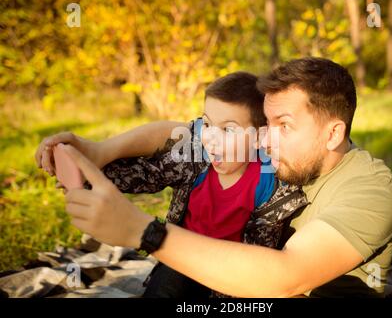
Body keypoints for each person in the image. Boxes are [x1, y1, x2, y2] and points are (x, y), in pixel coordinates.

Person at [36, 57, 392, 297]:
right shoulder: (269, 149)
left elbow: (288, 276)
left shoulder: (371, 191)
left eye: (284, 126)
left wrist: (142, 230)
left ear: (333, 134)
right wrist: (99, 151)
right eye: (266, 125)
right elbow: (178, 132)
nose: (265, 138)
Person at [36, 72, 308, 298]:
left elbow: (258, 262)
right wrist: (84, 171)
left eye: (228, 130)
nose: (211, 138)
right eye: (208, 124)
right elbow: (145, 174)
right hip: (181, 258)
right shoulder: (194, 162)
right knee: (165, 289)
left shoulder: (269, 186)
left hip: (232, 274)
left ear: (259, 137)